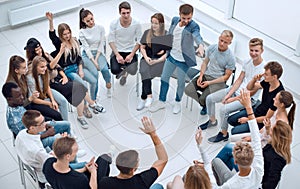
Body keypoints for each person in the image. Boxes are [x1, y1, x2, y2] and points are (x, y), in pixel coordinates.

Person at [167, 90, 263, 189]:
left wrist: (200, 145)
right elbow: (256, 137)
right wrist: (248, 107)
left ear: (235, 162)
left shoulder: (230, 185)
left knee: (174, 182)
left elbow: (209, 167)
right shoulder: (259, 171)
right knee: (215, 162)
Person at [200, 38, 266, 143]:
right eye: (251, 50)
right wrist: (228, 94)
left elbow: (252, 92)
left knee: (223, 110)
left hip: (248, 98)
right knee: (209, 98)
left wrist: (233, 99)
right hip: (236, 91)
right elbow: (239, 80)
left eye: (256, 51)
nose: (253, 53)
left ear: (262, 51)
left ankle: (223, 134)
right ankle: (212, 121)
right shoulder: (247, 62)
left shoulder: (263, 70)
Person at [45, 11, 106, 116]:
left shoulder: (75, 41)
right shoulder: (60, 44)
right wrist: (51, 21)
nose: (67, 36)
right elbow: (52, 35)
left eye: (68, 33)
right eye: (64, 34)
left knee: (93, 80)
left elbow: (78, 57)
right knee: (82, 85)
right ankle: (87, 106)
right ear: (61, 35)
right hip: (67, 71)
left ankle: (93, 100)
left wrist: (81, 69)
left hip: (77, 67)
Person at [149, 3, 205, 114]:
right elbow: (171, 36)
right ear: (179, 15)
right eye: (184, 18)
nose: (186, 20)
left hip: (183, 61)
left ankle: (177, 102)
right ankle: (162, 101)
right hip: (171, 57)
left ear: (192, 15)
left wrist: (201, 45)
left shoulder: (193, 26)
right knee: (164, 78)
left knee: (180, 82)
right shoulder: (175, 20)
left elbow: (197, 35)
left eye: (189, 18)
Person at [24, 37, 92, 128]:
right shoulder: (33, 66)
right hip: (51, 84)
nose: (39, 51)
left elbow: (57, 66)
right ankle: (89, 106)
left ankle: (85, 110)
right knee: (76, 91)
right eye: (36, 50)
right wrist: (60, 52)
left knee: (79, 89)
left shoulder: (46, 55)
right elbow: (49, 70)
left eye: (40, 48)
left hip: (58, 79)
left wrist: (64, 76)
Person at [15, 110, 85, 188]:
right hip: (48, 173)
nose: (45, 124)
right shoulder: (38, 152)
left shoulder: (22, 133)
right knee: (86, 164)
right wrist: (64, 143)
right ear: (32, 128)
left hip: (36, 158)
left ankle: (72, 157)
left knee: (64, 128)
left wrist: (46, 132)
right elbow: (56, 159)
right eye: (42, 123)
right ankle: (72, 158)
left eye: (44, 120)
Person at [99, 116, 168, 189]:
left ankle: (109, 155)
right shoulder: (142, 180)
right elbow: (163, 159)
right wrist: (153, 134)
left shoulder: (105, 182)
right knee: (158, 186)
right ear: (133, 169)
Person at [2, 82, 70, 148]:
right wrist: (46, 134)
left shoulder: (17, 104)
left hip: (38, 128)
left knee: (66, 125)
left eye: (22, 94)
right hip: (37, 141)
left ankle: (69, 145)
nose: (22, 97)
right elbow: (28, 139)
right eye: (18, 96)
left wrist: (44, 125)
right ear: (9, 99)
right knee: (61, 140)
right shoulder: (15, 121)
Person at [184, 30, 236, 116]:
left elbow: (226, 77)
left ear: (230, 43)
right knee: (188, 90)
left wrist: (209, 83)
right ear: (219, 38)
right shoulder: (212, 48)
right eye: (221, 40)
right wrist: (201, 76)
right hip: (206, 75)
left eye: (225, 42)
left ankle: (205, 104)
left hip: (218, 81)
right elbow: (205, 63)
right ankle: (205, 103)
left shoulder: (231, 58)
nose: (222, 43)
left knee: (203, 99)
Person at [227, 61, 284, 135]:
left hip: (261, 121)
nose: (263, 75)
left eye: (266, 74)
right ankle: (244, 130)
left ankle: (248, 132)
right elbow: (249, 88)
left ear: (274, 77)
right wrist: (254, 79)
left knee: (234, 131)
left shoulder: (278, 96)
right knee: (231, 120)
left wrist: (248, 120)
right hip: (258, 110)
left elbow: (266, 118)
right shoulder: (267, 82)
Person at [6, 55, 63, 121]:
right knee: (49, 119)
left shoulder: (22, 76)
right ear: (16, 70)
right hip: (22, 112)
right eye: (24, 68)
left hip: (30, 104)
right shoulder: (11, 86)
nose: (26, 70)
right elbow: (18, 106)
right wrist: (31, 98)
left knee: (55, 115)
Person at [43, 136, 112, 189]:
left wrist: (84, 169)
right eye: (75, 152)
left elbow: (67, 173)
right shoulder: (79, 179)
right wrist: (93, 172)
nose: (76, 154)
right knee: (104, 160)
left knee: (104, 160)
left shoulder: (48, 163)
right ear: (68, 156)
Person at [136, 13, 168, 111]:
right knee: (144, 71)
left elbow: (166, 54)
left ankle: (143, 97)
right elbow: (142, 47)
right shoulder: (147, 33)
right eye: (152, 23)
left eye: (156, 23)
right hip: (147, 58)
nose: (153, 25)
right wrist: (146, 58)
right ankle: (149, 96)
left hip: (159, 62)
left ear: (161, 24)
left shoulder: (166, 35)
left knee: (146, 75)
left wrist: (157, 60)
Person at [79, 8, 112, 97]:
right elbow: (86, 48)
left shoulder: (100, 28)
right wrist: (94, 62)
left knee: (105, 70)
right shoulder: (82, 32)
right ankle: (94, 95)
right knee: (94, 74)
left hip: (98, 53)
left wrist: (97, 59)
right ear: (83, 21)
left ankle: (108, 85)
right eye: (88, 21)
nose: (91, 22)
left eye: (92, 19)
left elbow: (101, 44)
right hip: (87, 55)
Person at [108, 1, 142, 86]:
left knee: (133, 71)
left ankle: (124, 73)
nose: (126, 15)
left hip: (131, 50)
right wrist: (117, 55)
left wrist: (131, 54)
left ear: (130, 11)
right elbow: (110, 40)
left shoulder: (137, 23)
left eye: (128, 13)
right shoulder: (114, 23)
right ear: (119, 13)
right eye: (123, 13)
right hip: (118, 50)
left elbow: (139, 41)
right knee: (115, 70)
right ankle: (124, 72)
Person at [26, 56, 69, 121]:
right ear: (35, 67)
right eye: (42, 67)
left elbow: (47, 86)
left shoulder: (44, 72)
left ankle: (66, 124)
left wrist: (53, 100)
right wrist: (49, 103)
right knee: (56, 112)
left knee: (63, 101)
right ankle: (62, 125)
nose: (45, 68)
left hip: (45, 91)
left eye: (45, 66)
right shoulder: (30, 79)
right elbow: (34, 100)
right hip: (38, 98)